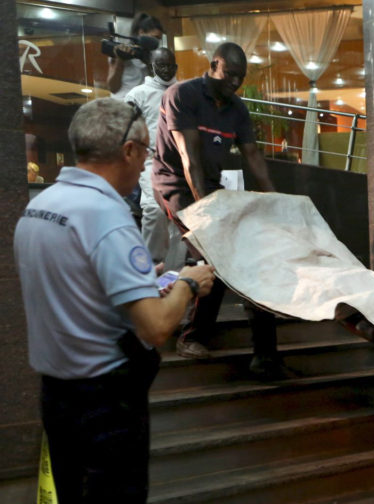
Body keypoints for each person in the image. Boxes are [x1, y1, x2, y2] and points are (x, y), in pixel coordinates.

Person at [14, 98, 215, 504]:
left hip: (59, 392)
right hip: (106, 401)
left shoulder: (42, 207)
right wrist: (189, 284)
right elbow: (155, 327)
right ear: (129, 152)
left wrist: (147, 279)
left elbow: (78, 288)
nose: (144, 163)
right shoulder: (104, 215)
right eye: (144, 153)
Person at [151, 42, 285, 379]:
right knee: (215, 253)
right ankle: (191, 335)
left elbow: (254, 157)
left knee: (242, 252)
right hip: (175, 183)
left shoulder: (236, 108)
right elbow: (188, 159)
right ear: (213, 64)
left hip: (211, 184)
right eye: (230, 74)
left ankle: (265, 353)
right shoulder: (183, 95)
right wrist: (205, 216)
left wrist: (276, 202)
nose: (235, 83)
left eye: (241, 77)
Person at [125, 47, 185, 272]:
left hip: (180, 162)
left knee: (181, 216)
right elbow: (128, 126)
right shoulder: (137, 94)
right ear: (151, 67)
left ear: (176, 67)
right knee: (154, 209)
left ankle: (174, 272)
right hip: (150, 160)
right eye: (161, 65)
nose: (166, 70)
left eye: (170, 65)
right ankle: (148, 267)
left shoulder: (184, 91)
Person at [107, 13, 164, 100]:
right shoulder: (122, 50)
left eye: (159, 39)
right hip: (124, 103)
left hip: (144, 103)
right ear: (141, 32)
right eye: (154, 37)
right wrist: (120, 61)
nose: (156, 42)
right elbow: (113, 88)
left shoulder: (152, 55)